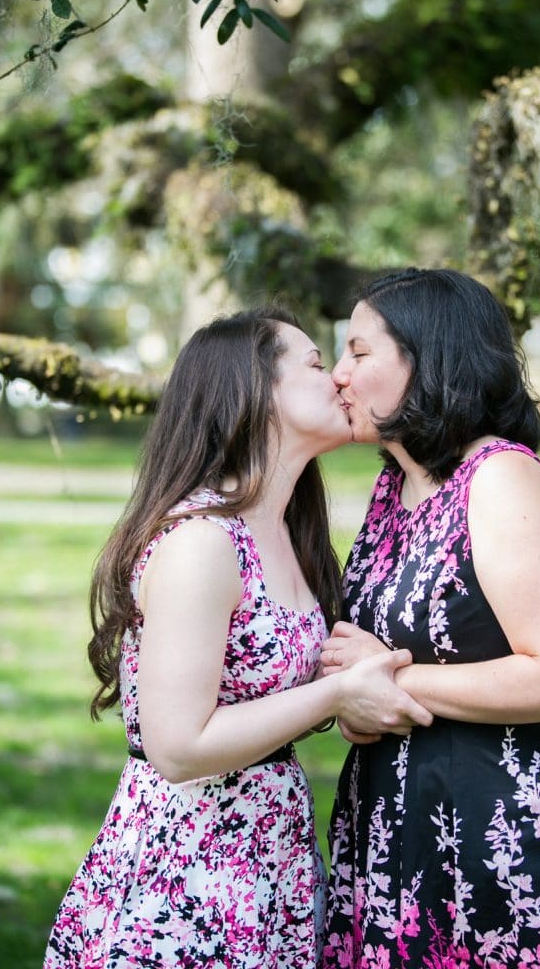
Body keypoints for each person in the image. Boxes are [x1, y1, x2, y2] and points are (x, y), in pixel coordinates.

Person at [43, 306, 432, 969]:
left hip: (264, 860)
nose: (340, 378)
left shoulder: (285, 533)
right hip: (183, 872)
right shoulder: (201, 543)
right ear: (254, 392)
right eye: (315, 363)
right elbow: (179, 745)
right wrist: (337, 694)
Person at [320, 269, 540, 969]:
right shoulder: (396, 488)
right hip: (404, 830)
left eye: (359, 353)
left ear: (427, 356)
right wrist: (354, 704)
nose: (338, 374)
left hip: (512, 838)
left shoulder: (499, 479)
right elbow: (372, 674)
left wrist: (385, 680)